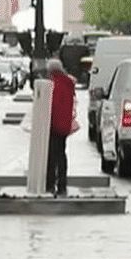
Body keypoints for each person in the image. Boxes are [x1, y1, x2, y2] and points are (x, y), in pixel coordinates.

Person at [45, 58, 77, 197]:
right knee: (61, 155)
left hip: (54, 125)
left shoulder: (53, 85)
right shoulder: (68, 84)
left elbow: (52, 106)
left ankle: (50, 185)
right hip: (64, 125)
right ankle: (62, 185)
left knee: (51, 157)